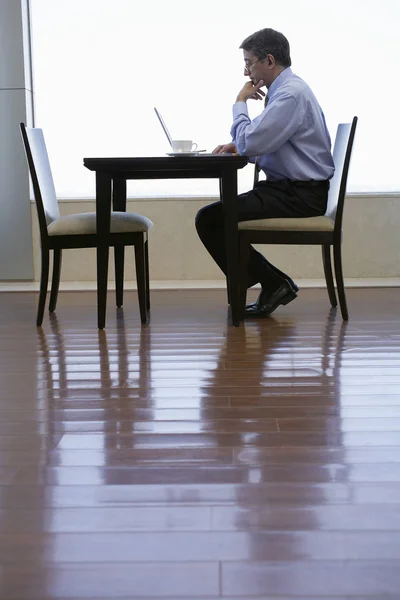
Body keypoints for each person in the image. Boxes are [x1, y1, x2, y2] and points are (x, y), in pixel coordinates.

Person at [195, 28, 334, 318]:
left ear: (269, 60)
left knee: (210, 219)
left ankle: (273, 282)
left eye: (249, 62)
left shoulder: (290, 96)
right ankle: (272, 282)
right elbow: (259, 142)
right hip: (289, 189)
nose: (246, 71)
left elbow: (251, 142)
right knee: (216, 216)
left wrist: (240, 102)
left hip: (299, 196)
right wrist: (239, 144)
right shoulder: (286, 91)